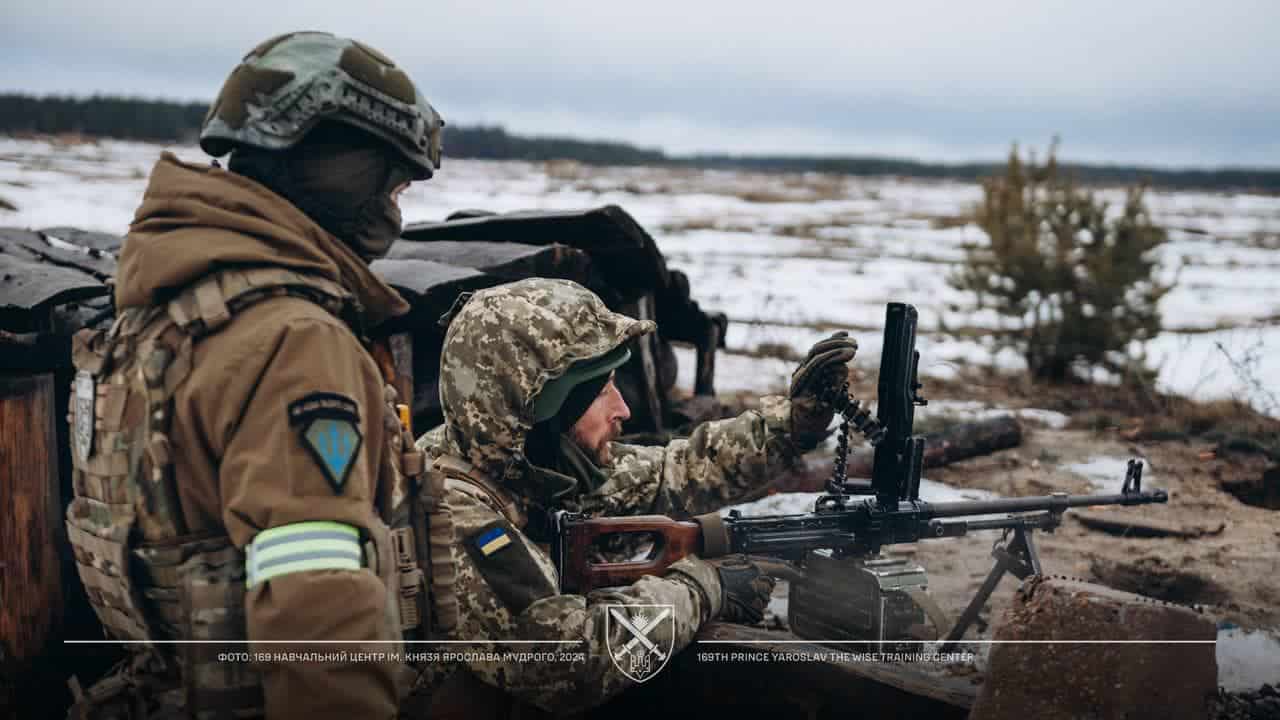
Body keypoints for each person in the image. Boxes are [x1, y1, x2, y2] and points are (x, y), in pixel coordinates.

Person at [63, 31, 443, 719]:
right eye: (391, 180)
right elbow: (319, 606)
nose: (395, 206)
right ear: (338, 166)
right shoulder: (292, 339)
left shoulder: (159, 315)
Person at [412, 278, 857, 715]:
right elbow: (571, 663)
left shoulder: (525, 465)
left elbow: (676, 471)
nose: (622, 408)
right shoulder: (453, 512)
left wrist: (789, 427)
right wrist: (703, 589)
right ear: (540, 409)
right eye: (601, 391)